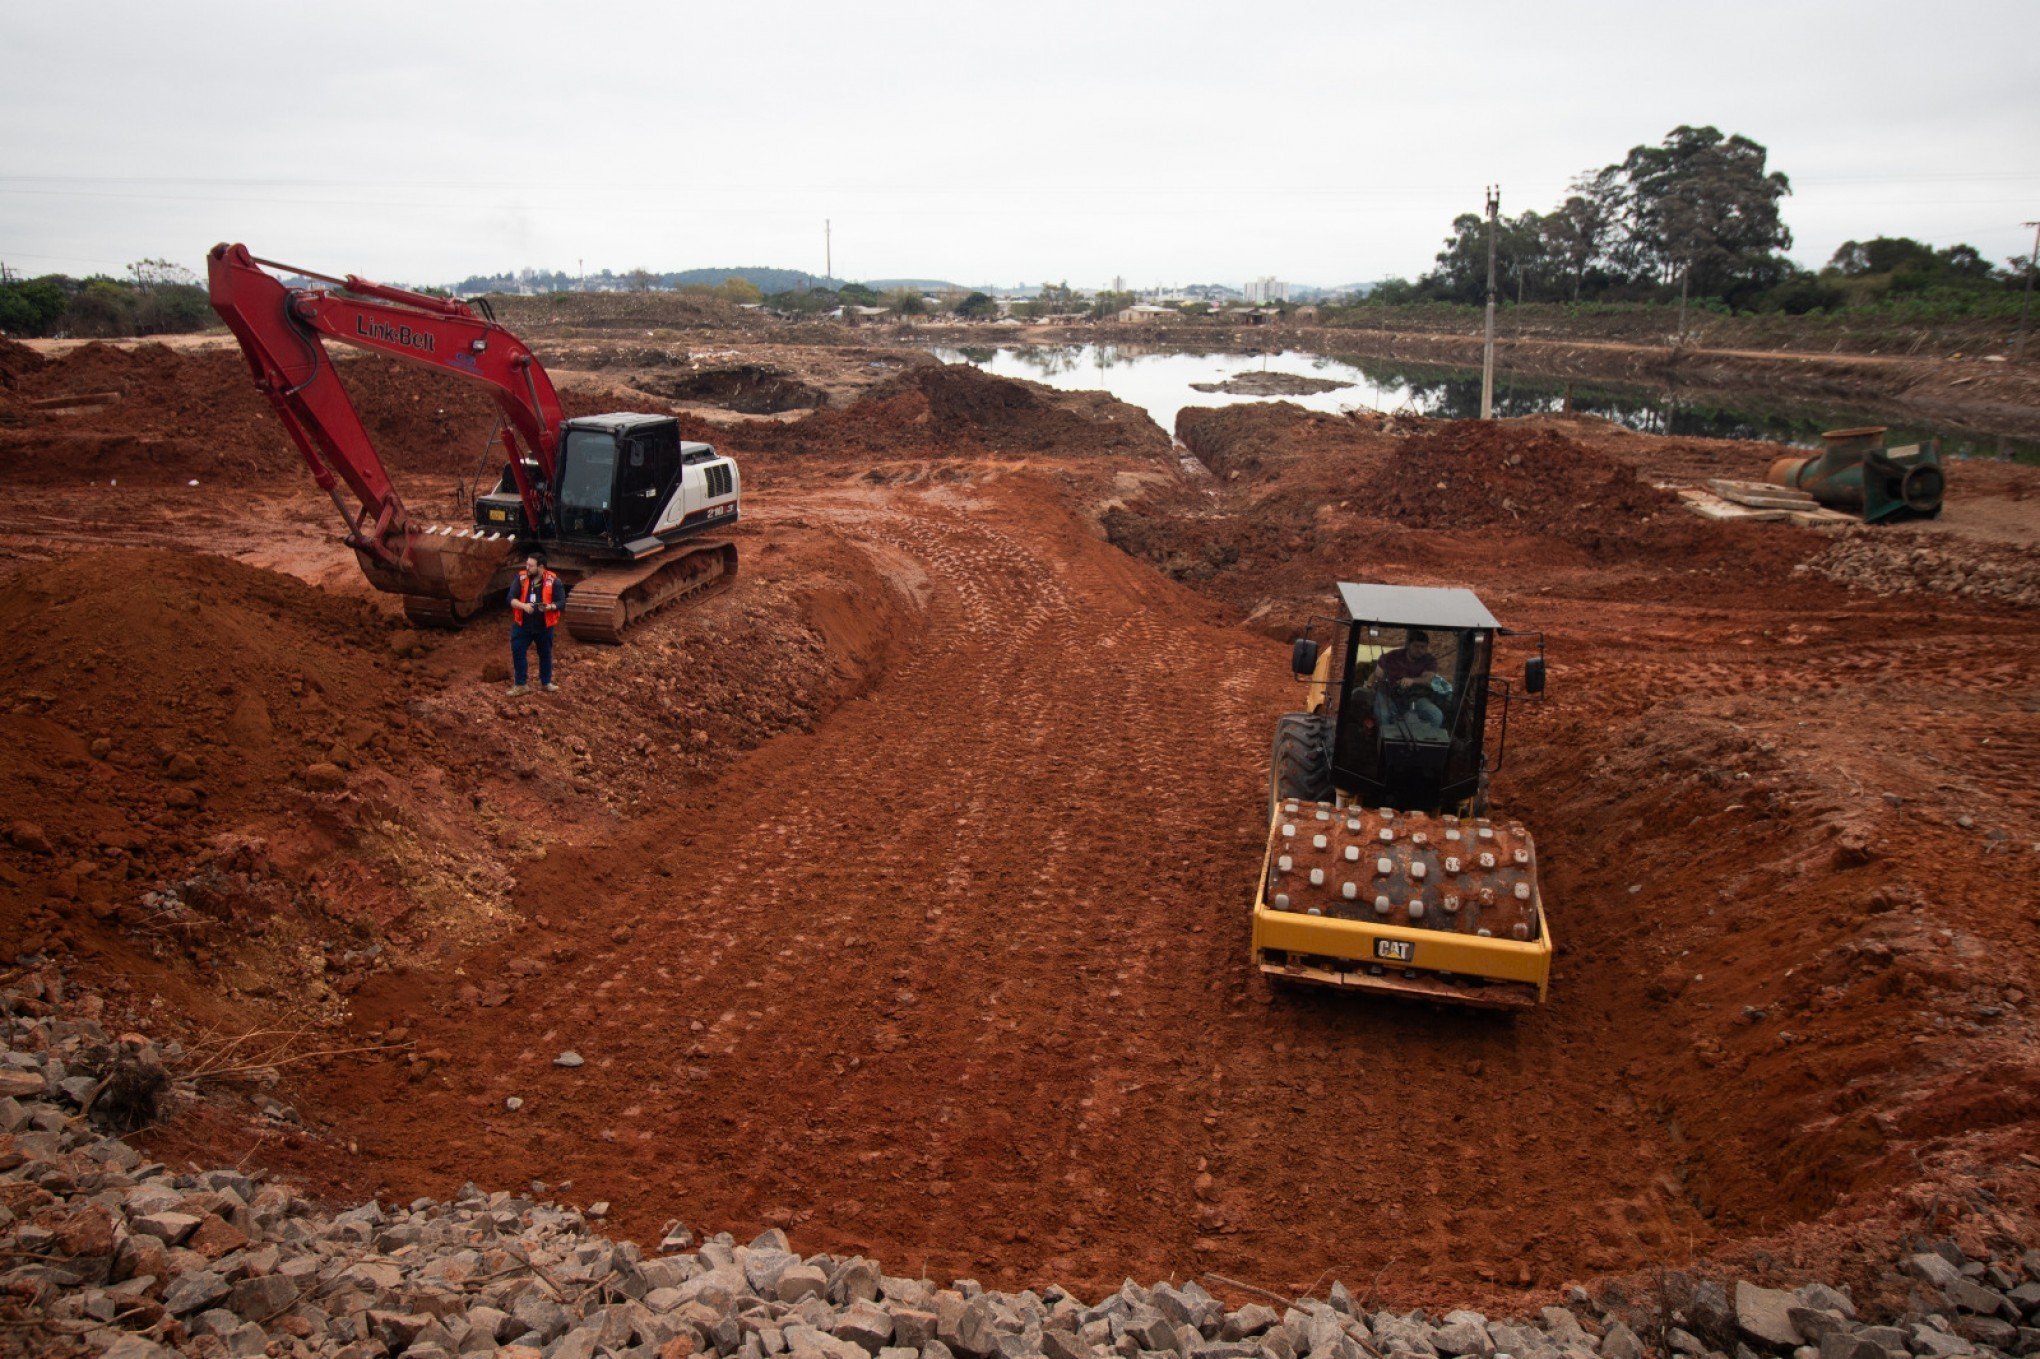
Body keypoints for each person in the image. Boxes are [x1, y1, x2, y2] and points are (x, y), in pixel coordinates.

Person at [507, 552, 564, 696]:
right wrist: (523, 606)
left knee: (545, 654)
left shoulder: (554, 581)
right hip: (523, 625)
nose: (527, 568)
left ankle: (546, 683)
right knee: (518, 651)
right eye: (527, 564)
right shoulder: (521, 578)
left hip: (544, 626)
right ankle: (521, 684)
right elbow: (510, 598)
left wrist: (549, 607)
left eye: (530, 566)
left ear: (541, 567)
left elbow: (561, 602)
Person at [1372, 629, 1444, 730]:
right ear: (1408, 645)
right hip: (1389, 694)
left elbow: (1428, 678)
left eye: (1422, 647)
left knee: (1436, 716)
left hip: (1415, 698)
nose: (1419, 650)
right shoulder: (1392, 656)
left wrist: (1412, 680)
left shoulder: (1429, 660)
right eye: (1416, 646)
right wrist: (1388, 682)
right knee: (1384, 716)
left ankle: (1422, 742)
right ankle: (1385, 742)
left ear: (1427, 647)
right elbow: (1378, 674)